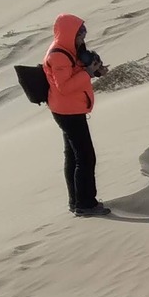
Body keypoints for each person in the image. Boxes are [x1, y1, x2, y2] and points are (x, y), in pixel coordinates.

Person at [43, 14, 110, 217]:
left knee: (73, 156)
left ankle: (76, 201)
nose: (83, 38)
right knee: (85, 157)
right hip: (67, 112)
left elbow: (76, 73)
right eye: (80, 34)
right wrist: (88, 73)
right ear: (70, 33)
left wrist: (96, 70)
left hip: (71, 109)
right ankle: (86, 204)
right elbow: (63, 87)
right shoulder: (58, 56)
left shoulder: (71, 51)